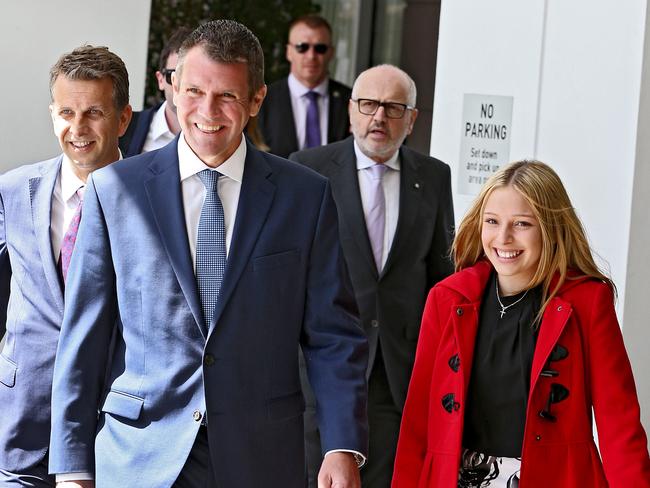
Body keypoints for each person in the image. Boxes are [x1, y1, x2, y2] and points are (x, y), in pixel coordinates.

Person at [48, 20, 368, 488]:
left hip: (259, 457)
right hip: (140, 455)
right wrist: (72, 469)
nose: (207, 111)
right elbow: (84, 342)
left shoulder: (306, 196)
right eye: (194, 90)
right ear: (173, 88)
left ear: (257, 100)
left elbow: (333, 335)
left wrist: (340, 446)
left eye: (227, 96)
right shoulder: (115, 190)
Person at [392, 161, 650, 487]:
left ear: (550, 227)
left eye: (522, 224)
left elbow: (619, 423)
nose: (504, 237)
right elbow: (417, 422)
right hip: (458, 478)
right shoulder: (447, 299)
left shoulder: (586, 303)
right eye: (492, 222)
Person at [290, 64, 454, 488]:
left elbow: (441, 276)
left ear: (412, 118)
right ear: (350, 112)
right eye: (368, 104)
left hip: (397, 374)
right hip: (322, 371)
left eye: (394, 107)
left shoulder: (434, 177)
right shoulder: (309, 169)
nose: (379, 116)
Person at [0, 45, 131, 487]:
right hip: (21, 426)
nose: (78, 128)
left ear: (124, 118)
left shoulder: (152, 203)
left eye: (93, 112)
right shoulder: (15, 190)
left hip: (108, 428)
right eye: (66, 112)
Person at [257, 14, 351, 158]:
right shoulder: (262, 101)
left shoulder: (351, 101)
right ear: (288, 52)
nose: (311, 56)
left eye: (320, 48)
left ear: (331, 53)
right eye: (302, 47)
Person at [119, 26, 192, 156]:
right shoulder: (123, 128)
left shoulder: (231, 134)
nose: (184, 86)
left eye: (194, 79)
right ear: (160, 80)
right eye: (174, 76)